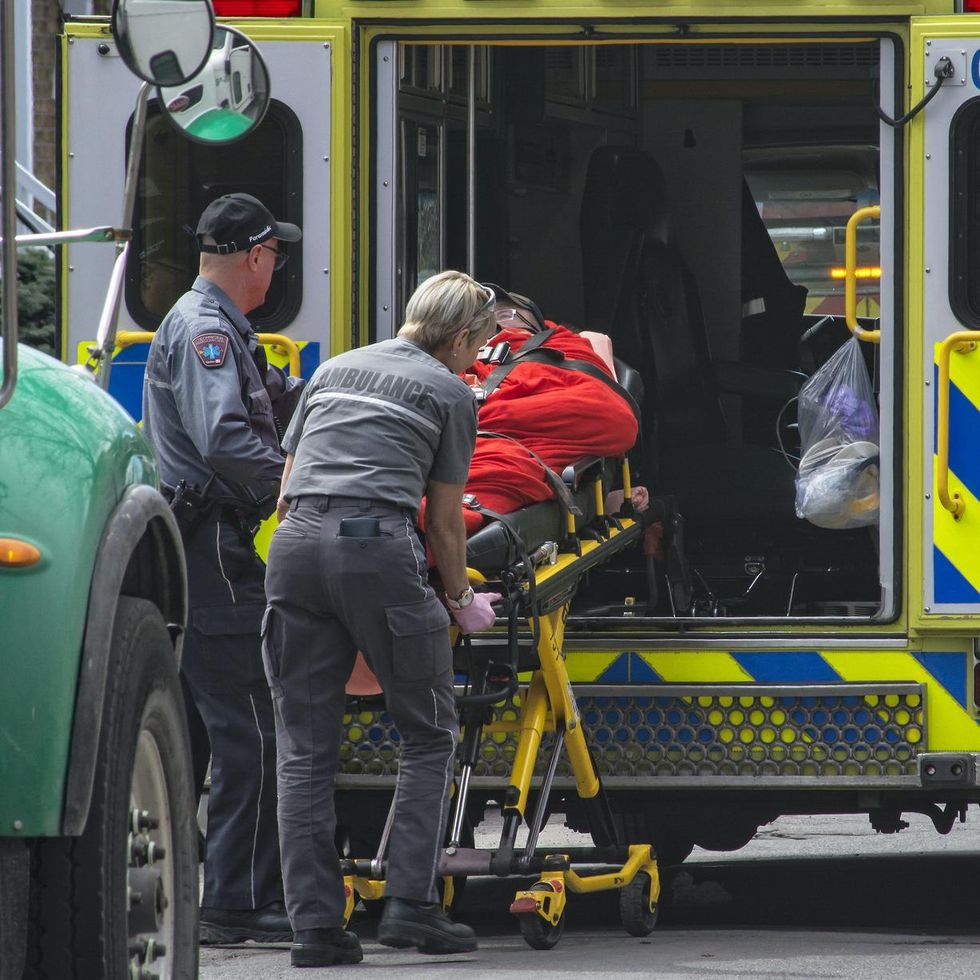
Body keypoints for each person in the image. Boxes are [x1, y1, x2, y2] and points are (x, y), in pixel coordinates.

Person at [263, 270, 500, 968]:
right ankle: (410, 906)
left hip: (295, 546)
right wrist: (461, 603)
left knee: (304, 748)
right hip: (375, 547)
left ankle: (314, 928)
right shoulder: (451, 392)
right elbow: (447, 522)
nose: (479, 359)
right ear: (459, 337)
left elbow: (285, 492)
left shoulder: (334, 367)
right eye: (480, 345)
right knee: (429, 731)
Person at [142, 192, 303, 945]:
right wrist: (298, 482)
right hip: (213, 545)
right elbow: (225, 441)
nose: (277, 269)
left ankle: (210, 891)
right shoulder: (208, 331)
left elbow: (273, 404)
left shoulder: (220, 327)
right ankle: (236, 904)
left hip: (211, 542)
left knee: (213, 733)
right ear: (255, 255)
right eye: (276, 255)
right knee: (254, 733)